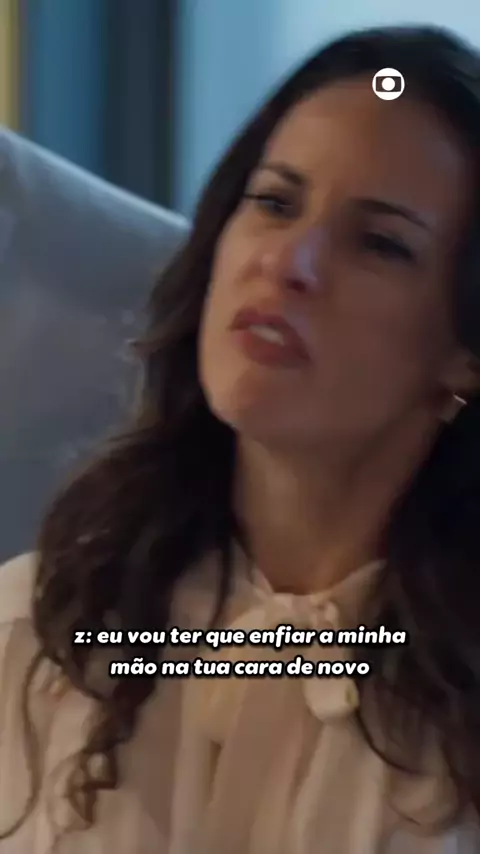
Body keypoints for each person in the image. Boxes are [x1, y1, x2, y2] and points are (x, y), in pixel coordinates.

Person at [1, 23, 480, 854]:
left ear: (465, 352)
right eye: (274, 203)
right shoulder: (36, 629)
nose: (289, 262)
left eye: (379, 244)